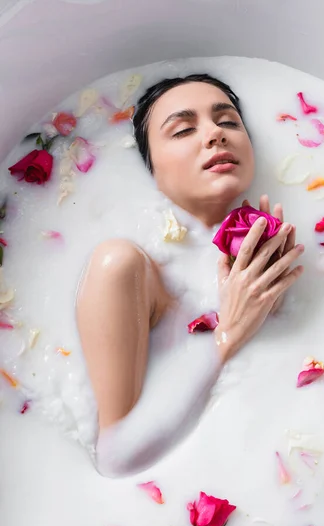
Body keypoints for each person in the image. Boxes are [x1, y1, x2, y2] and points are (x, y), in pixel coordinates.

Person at [76, 73, 304, 476]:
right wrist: (228, 334)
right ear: (152, 168)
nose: (216, 134)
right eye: (183, 129)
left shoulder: (267, 253)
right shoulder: (123, 265)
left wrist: (271, 302)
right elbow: (117, 456)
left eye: (229, 122)